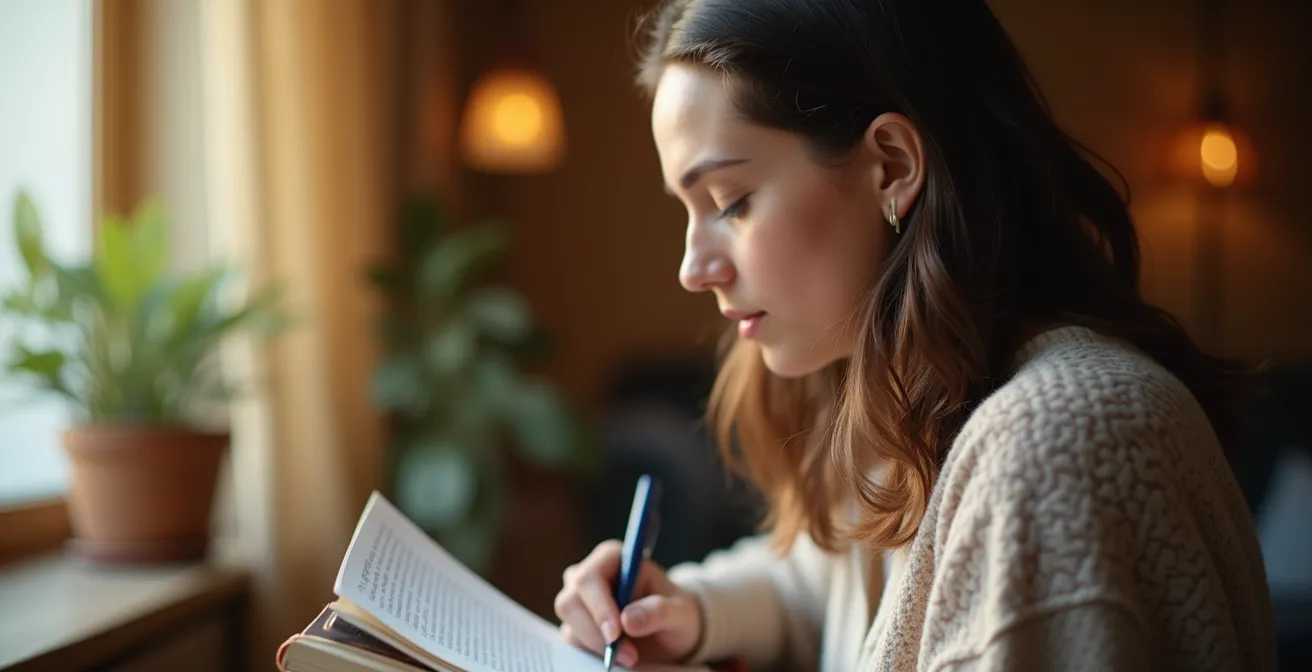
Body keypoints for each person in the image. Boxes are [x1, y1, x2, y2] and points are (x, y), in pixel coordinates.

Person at [553, 0, 1277, 669]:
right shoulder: (916, 394)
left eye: (730, 201)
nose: (692, 269)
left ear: (892, 166)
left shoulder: (1052, 443)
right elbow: (820, 583)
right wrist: (687, 608)